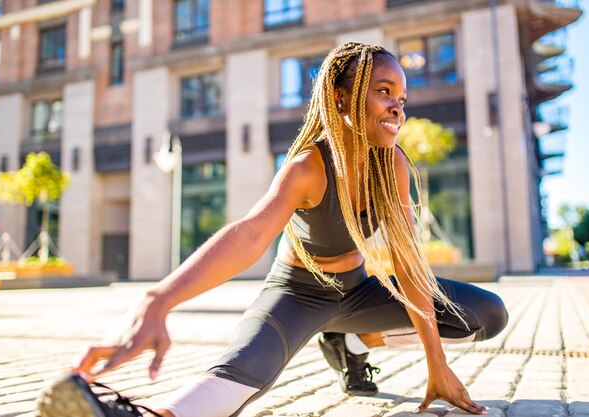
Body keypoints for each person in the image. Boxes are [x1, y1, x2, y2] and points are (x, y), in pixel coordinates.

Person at [37, 42, 508, 417]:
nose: (397, 108)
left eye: (402, 98)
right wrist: (158, 299)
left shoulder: (394, 165)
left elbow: (409, 267)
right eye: (384, 92)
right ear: (341, 98)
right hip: (298, 295)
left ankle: (353, 340)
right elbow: (250, 234)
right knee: (244, 373)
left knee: (486, 314)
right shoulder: (308, 166)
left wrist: (436, 363)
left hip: (360, 292)